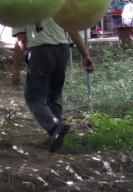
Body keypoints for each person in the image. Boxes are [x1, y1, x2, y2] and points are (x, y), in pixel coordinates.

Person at [12, 17, 95, 152]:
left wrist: (15, 69)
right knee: (54, 94)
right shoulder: (55, 2)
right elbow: (72, 30)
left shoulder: (20, 9)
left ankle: (54, 125)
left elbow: (21, 41)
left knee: (33, 97)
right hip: (62, 50)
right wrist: (85, 55)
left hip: (40, 51)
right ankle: (55, 137)